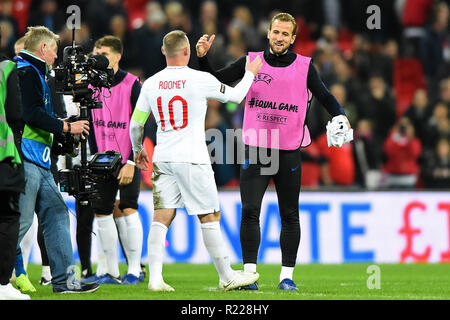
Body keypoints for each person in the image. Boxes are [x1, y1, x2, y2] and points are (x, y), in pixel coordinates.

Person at [196, 12, 351, 290]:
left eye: (285, 34)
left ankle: (286, 277)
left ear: (292, 38)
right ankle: (249, 276)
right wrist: (204, 58)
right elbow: (216, 81)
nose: (279, 37)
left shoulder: (305, 66)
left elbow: (325, 95)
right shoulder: (251, 62)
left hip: (289, 149)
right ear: (268, 33)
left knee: (289, 213)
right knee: (250, 210)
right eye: (275, 32)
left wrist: (341, 114)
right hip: (257, 149)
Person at [130, 30, 262, 291]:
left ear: (163, 51)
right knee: (210, 215)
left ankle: (155, 279)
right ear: (188, 51)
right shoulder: (199, 79)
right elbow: (235, 97)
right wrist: (250, 73)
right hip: (192, 158)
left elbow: (136, 125)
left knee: (161, 216)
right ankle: (227, 277)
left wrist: (137, 149)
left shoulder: (151, 83)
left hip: (163, 157)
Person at [14, 26, 98, 294]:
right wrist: (65, 128)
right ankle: (4, 280)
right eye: (53, 50)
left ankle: (63, 281)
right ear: (42, 49)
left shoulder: (34, 72)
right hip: (24, 158)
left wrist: (61, 127)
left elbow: (36, 116)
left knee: (57, 213)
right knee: (19, 224)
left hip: (39, 160)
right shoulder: (26, 72)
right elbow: (30, 114)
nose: (55, 57)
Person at [87, 35, 144, 285]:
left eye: (104, 54)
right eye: (96, 53)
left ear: (118, 56)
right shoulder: (88, 85)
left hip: (125, 161)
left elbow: (142, 124)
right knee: (102, 213)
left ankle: (134, 270)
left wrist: (131, 161)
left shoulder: (132, 84)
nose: (99, 58)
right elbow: (87, 123)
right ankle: (110, 271)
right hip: (99, 160)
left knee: (129, 208)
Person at [0, 35, 30, 300]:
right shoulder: (7, 67)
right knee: (7, 218)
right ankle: (1, 285)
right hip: (3, 156)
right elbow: (15, 114)